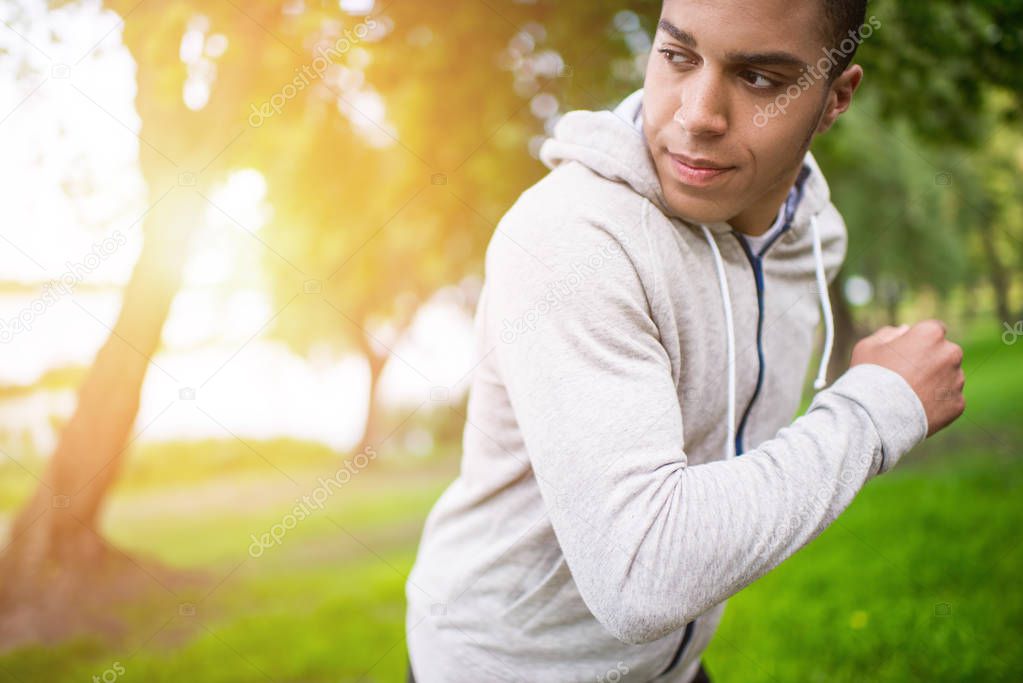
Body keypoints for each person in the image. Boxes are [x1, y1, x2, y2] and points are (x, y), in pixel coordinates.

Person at [404, 0, 966, 680]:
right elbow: (640, 573)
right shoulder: (571, 241)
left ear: (833, 100)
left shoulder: (812, 236)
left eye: (759, 78)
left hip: (668, 664)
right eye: (677, 56)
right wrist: (876, 407)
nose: (696, 114)